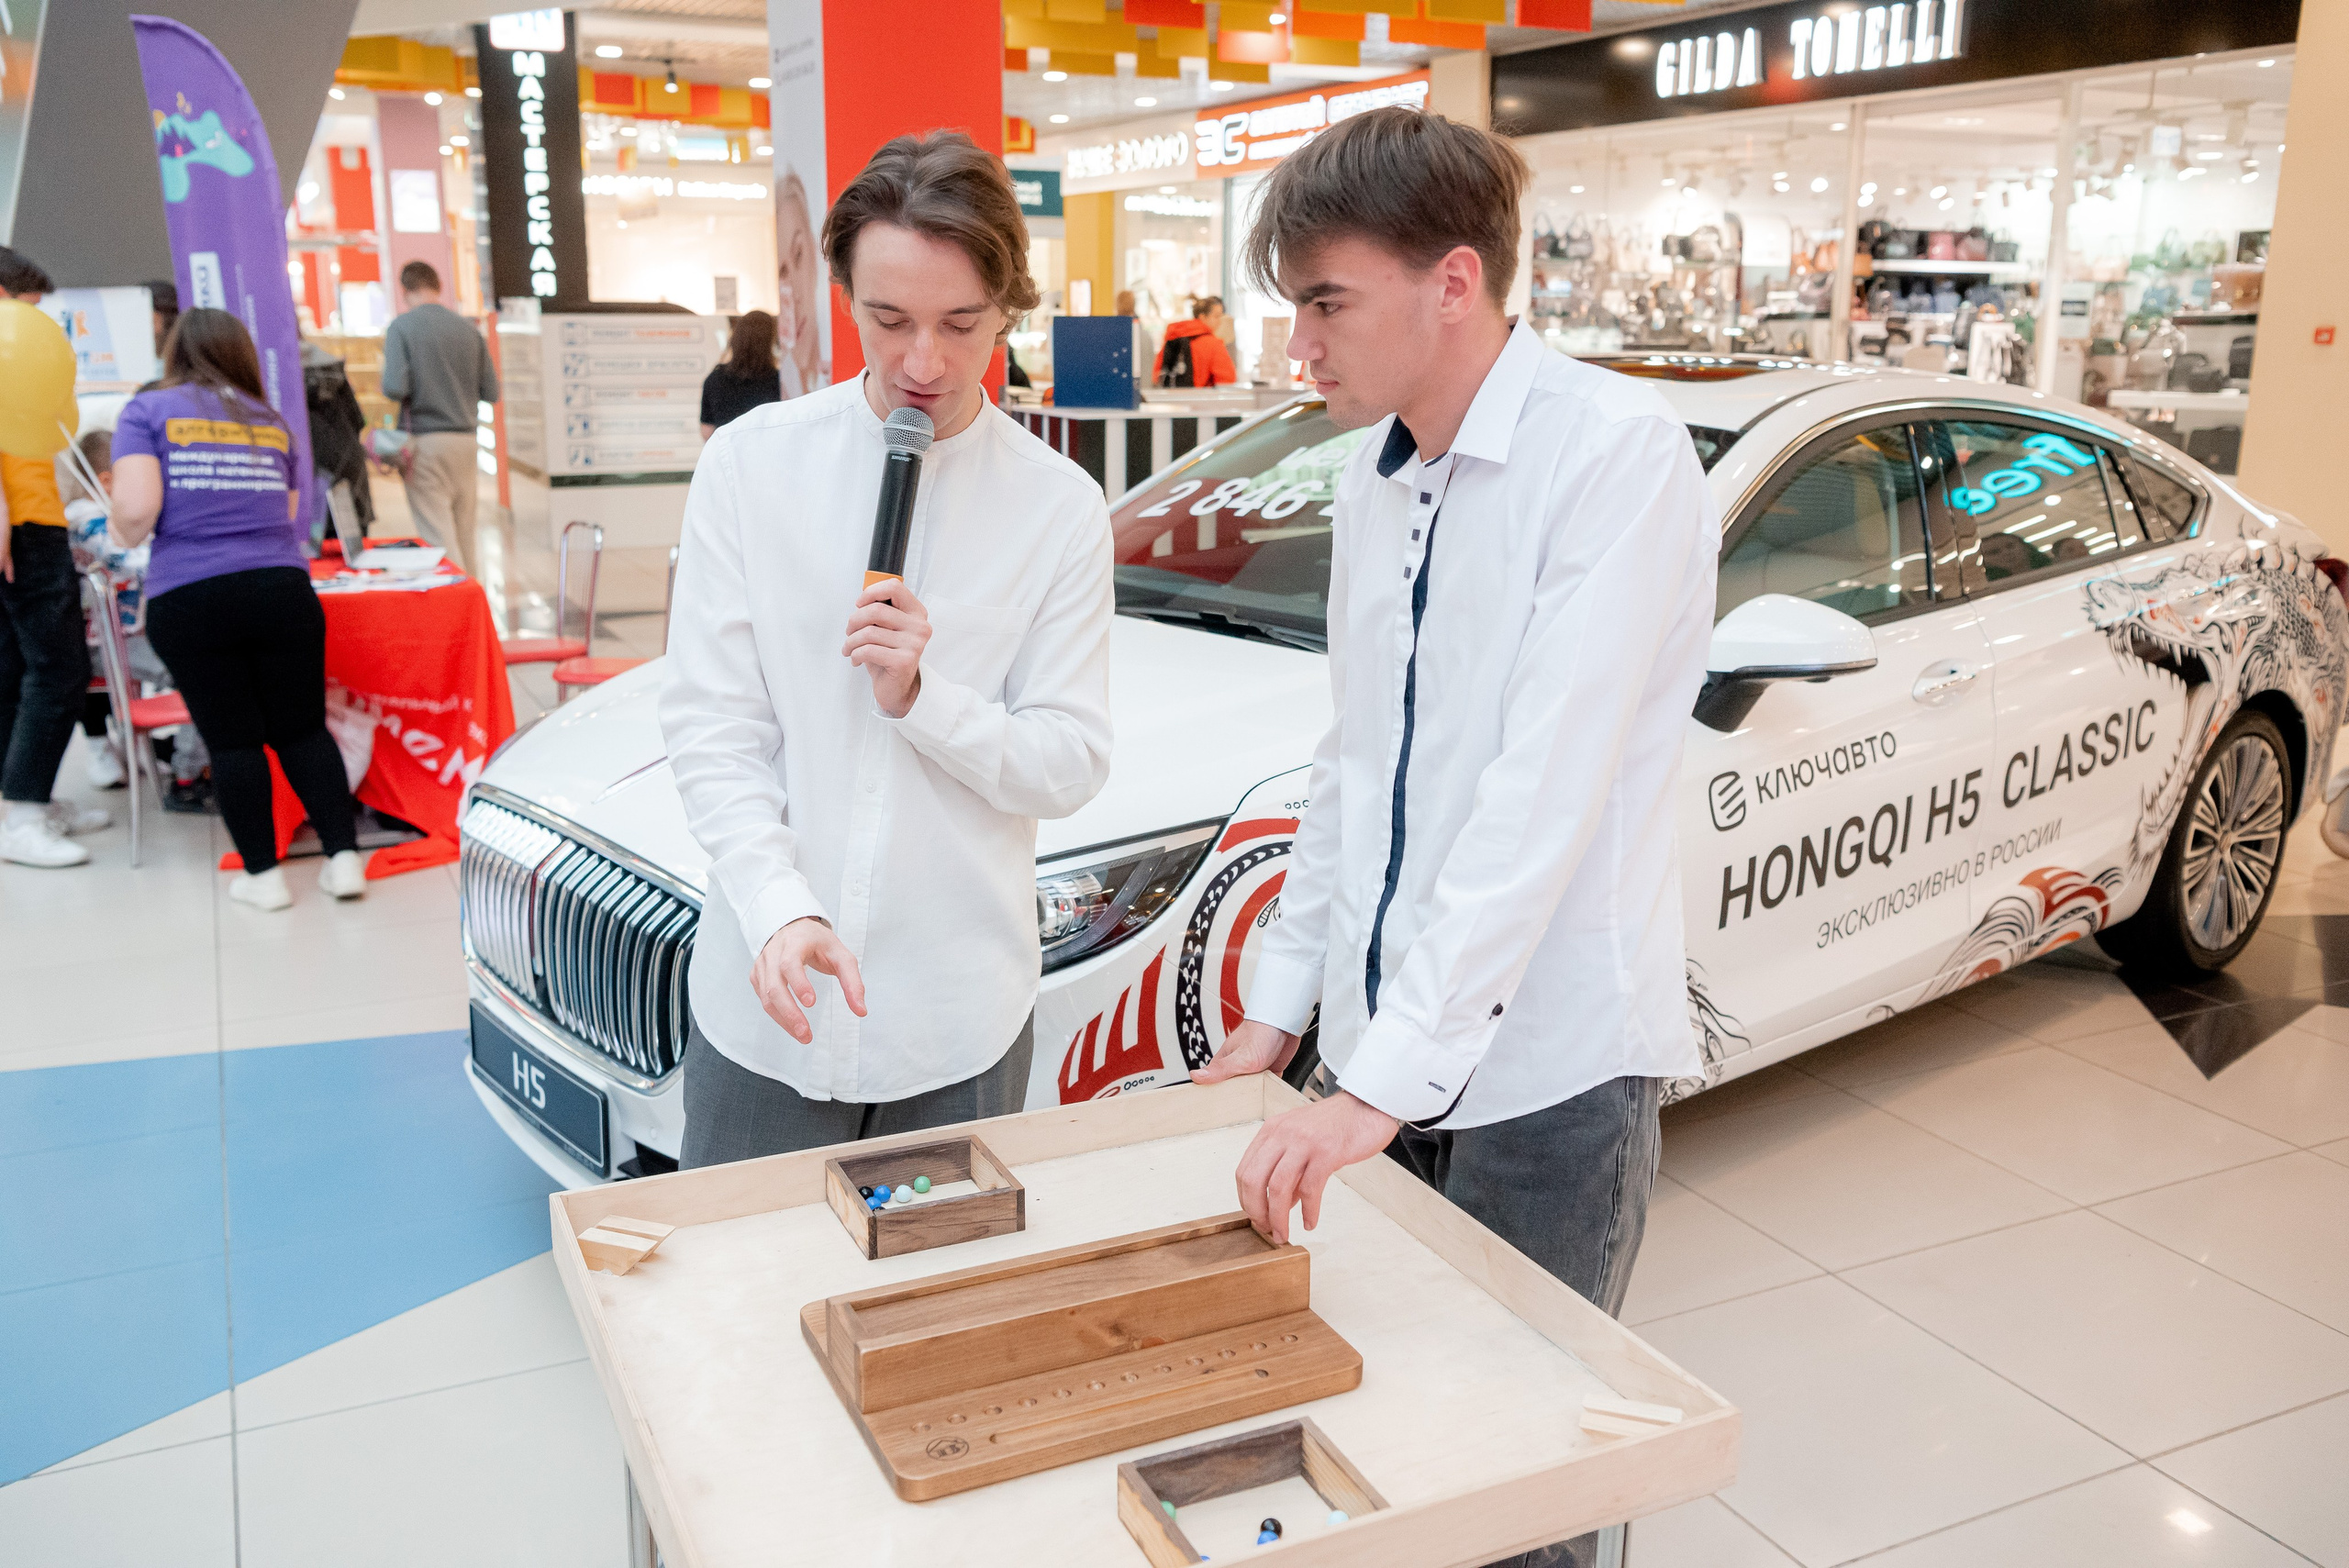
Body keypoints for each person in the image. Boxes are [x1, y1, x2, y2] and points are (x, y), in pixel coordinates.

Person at [1191, 109, 1714, 1568]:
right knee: (1402, 1443)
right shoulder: (1379, 479)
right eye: (1294, 304)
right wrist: (1280, 1015)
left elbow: (1540, 803)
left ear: (1455, 281)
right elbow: (1353, 768)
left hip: (1549, 1070)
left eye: (1326, 302)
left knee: (1529, 1476)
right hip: (1379, 1056)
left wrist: (1376, 1084)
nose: (1301, 346)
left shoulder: (1612, 458)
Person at [661, 129, 1114, 1166]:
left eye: (962, 323)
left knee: (943, 1316)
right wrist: (778, 909)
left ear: (1009, 303)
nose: (924, 362)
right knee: (744, 1303)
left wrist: (924, 695)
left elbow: (1071, 760)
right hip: (768, 1001)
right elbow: (712, 727)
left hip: (954, 1019)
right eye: (888, 319)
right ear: (839, 297)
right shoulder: (752, 467)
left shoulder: (1058, 508)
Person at [109, 307, 371, 910]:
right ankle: (344, 858)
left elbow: (137, 507)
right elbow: (289, 513)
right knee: (303, 728)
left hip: (193, 592)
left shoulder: (147, 412)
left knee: (233, 741)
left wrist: (122, 530)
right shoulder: (273, 423)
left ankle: (263, 875)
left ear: (174, 353)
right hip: (282, 587)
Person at [0, 244, 109, 868]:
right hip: (21, 526)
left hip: (31, 521)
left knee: (16, 667)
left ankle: (26, 802)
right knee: (59, 669)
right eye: (29, 307)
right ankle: (23, 812)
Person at [381, 261, 497, 574]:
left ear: (405, 291)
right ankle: (474, 607)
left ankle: (454, 611)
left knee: (438, 536)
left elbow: (394, 387)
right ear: (438, 286)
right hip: (467, 442)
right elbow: (492, 391)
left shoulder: (402, 328)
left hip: (426, 442)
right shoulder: (468, 330)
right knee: (465, 535)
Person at [699, 309, 784, 439]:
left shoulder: (715, 380)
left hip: (729, 455)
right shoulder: (779, 382)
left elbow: (707, 432)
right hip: (769, 455)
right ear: (770, 344)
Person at [1153, 295, 1238, 388]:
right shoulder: (1213, 344)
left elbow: (1156, 374)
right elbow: (1227, 380)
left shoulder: (1174, 336)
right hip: (1199, 399)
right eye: (1216, 317)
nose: (1219, 322)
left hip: (1170, 398)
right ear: (1202, 317)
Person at [1114, 288, 1152, 391]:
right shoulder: (1144, 335)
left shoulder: (1113, 335)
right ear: (1134, 305)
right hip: (1142, 391)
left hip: (1118, 393)